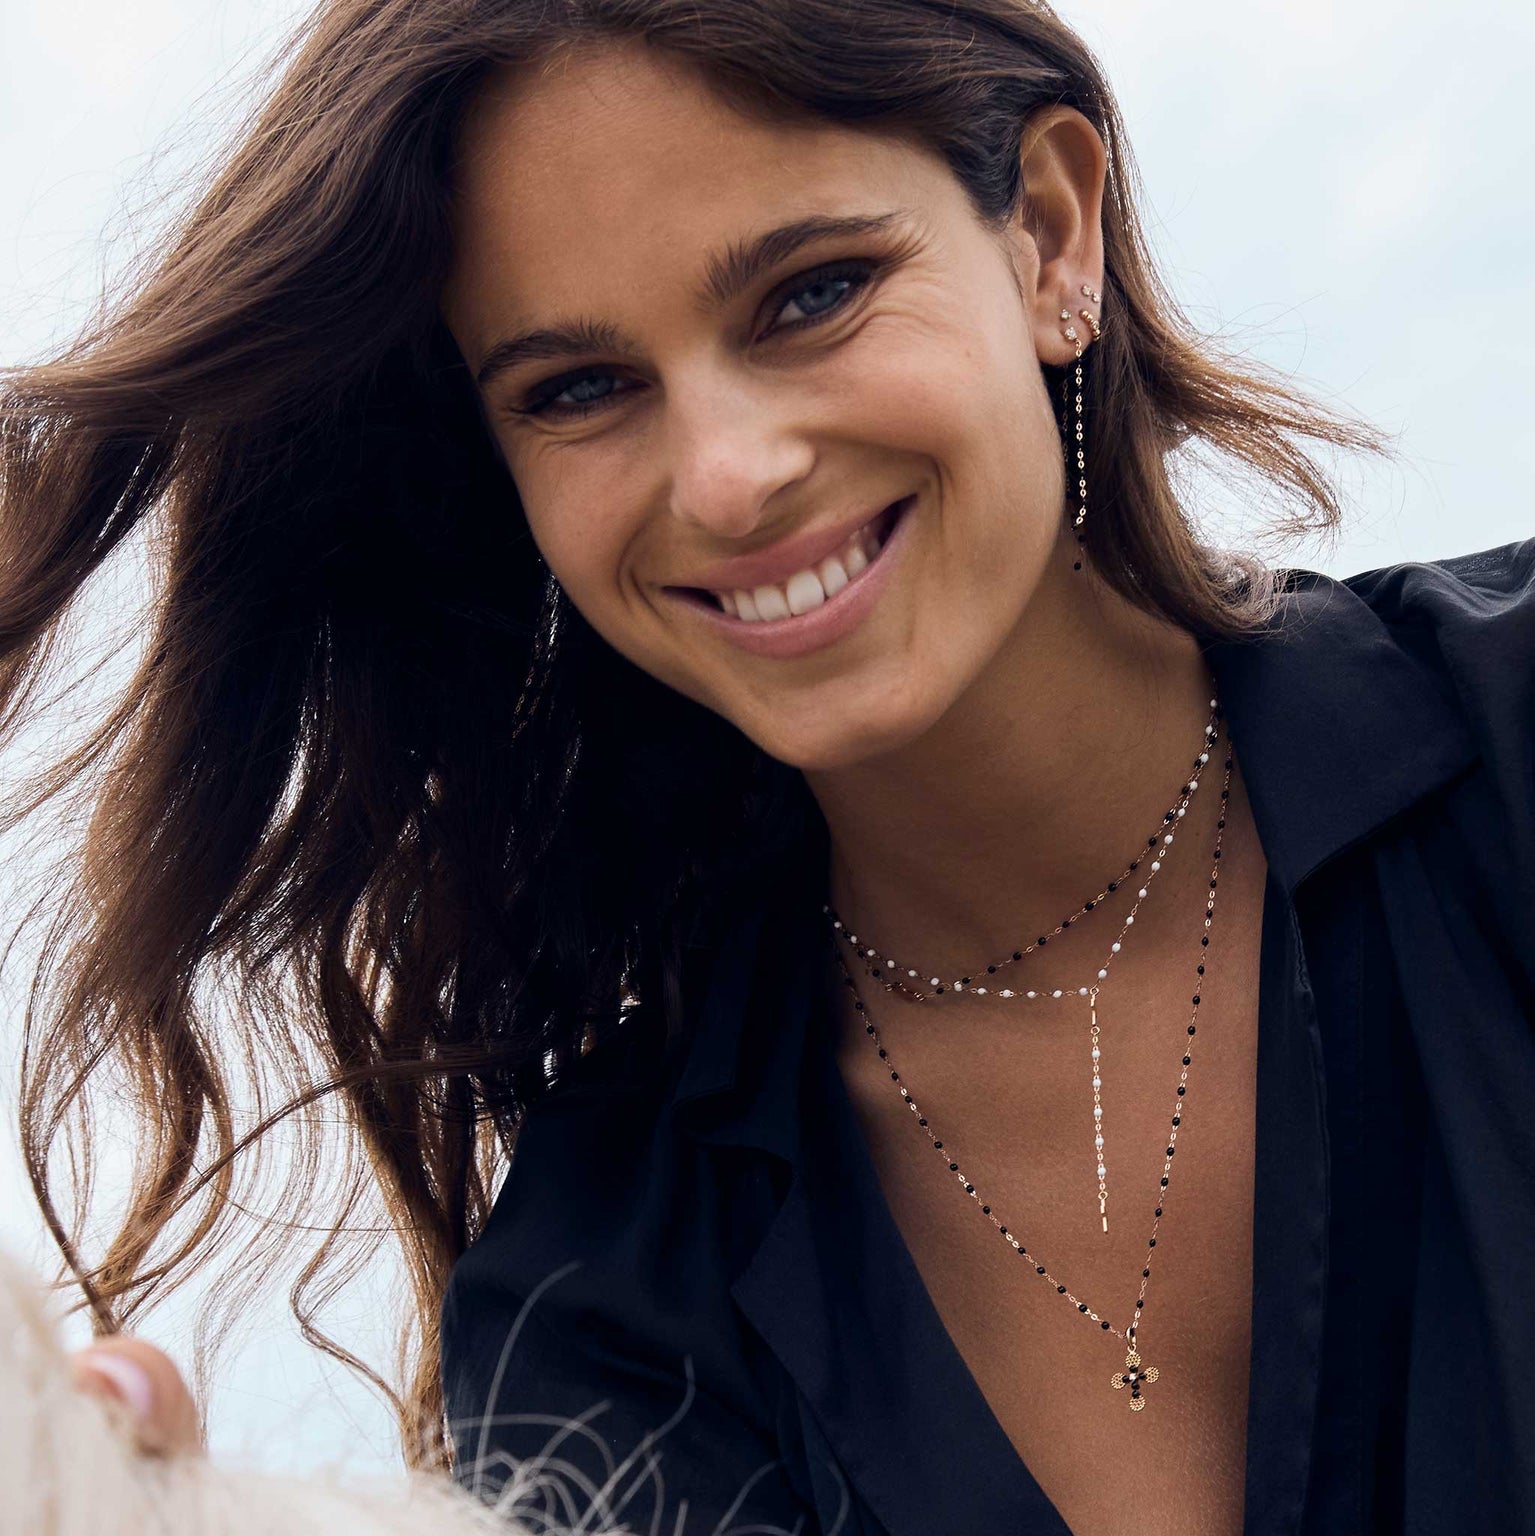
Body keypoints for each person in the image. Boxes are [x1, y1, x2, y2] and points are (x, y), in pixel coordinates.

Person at [3, 2, 1530, 1533]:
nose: (729, 478)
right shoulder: (603, 1291)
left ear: (1053, 239)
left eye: (814, 295)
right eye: (579, 390)